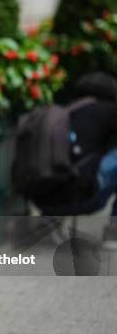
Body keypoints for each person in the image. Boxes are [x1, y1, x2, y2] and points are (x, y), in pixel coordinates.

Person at [68, 72, 117, 248]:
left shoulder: (69, 110)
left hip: (54, 193)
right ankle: (114, 231)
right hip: (87, 190)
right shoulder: (106, 110)